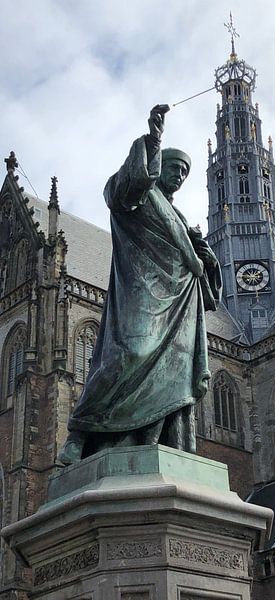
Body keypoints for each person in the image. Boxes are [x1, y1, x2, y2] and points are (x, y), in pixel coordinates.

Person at [58, 104, 221, 465]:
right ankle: (80, 432)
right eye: (174, 168)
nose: (178, 176)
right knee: (127, 355)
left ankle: (154, 440)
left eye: (185, 173)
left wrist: (207, 259)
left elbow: (207, 285)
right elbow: (121, 193)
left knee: (175, 377)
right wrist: (154, 138)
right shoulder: (140, 196)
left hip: (179, 309)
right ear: (158, 167)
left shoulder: (180, 218)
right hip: (142, 295)